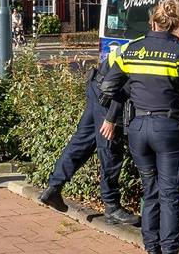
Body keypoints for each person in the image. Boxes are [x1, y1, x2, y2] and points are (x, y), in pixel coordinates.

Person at [99, 0, 179, 254]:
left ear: (152, 21)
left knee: (150, 191)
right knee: (170, 195)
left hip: (138, 129)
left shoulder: (132, 49)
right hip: (167, 128)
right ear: (174, 24)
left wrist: (134, 95)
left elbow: (107, 86)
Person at [37, 51, 140, 227]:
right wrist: (111, 118)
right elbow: (121, 86)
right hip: (108, 93)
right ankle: (112, 207)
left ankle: (54, 187)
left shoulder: (142, 43)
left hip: (97, 85)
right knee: (110, 147)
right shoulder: (150, 51)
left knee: (82, 141)